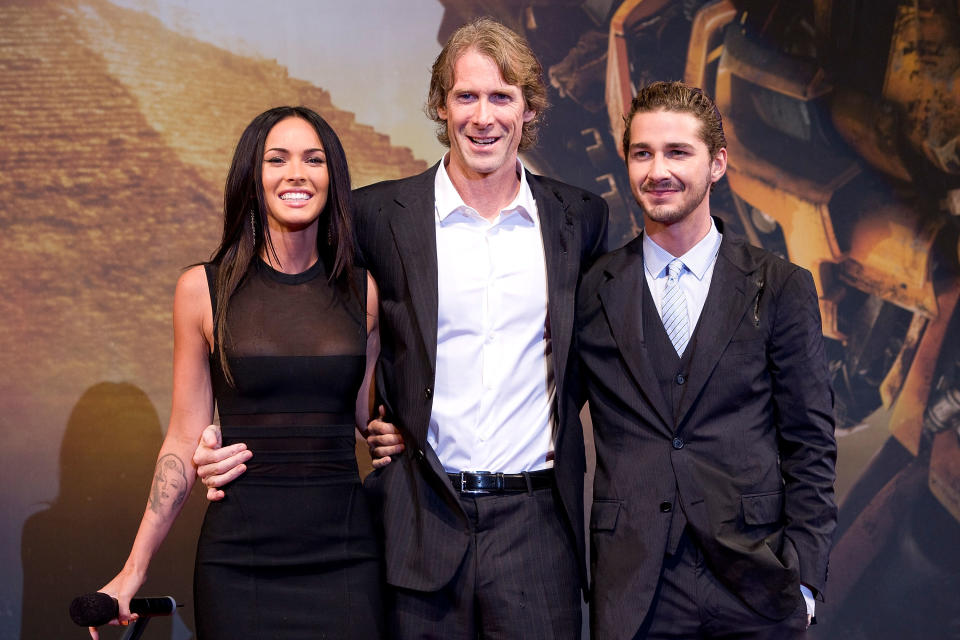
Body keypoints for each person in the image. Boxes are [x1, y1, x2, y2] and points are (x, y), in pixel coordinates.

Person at [195, 17, 608, 639]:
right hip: (418, 524)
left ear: (529, 107)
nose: (483, 116)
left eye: (502, 97)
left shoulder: (579, 219)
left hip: (536, 532)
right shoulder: (376, 215)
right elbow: (295, 313)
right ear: (442, 106)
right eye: (466, 96)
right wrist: (221, 428)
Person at [91, 106, 383, 640]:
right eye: (278, 159)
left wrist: (394, 429)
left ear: (332, 178)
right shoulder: (202, 290)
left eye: (313, 159)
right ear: (253, 176)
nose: (296, 172)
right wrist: (133, 569)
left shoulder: (362, 291)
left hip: (347, 559)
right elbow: (183, 435)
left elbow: (370, 417)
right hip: (240, 564)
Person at [576, 81, 837, 639]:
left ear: (717, 163)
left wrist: (807, 584)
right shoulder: (591, 289)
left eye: (677, 152)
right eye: (642, 153)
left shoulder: (781, 285)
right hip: (634, 583)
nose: (657, 171)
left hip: (757, 582)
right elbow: (539, 404)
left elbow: (810, 442)